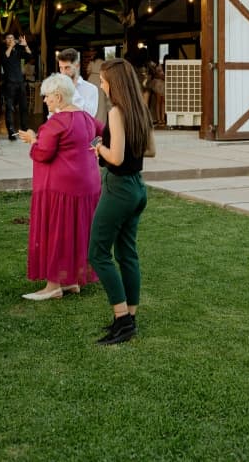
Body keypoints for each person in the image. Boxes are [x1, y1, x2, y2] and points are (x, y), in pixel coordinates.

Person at [17, 74, 102, 300]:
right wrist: (92, 148)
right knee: (76, 231)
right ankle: (71, 280)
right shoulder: (86, 117)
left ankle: (53, 285)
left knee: (57, 232)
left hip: (61, 187)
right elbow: (102, 134)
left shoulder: (56, 123)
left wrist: (33, 140)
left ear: (58, 96)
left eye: (47, 96)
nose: (45, 100)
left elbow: (43, 153)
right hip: (87, 184)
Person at [89, 59, 153, 345]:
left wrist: (99, 147)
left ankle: (122, 318)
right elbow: (150, 150)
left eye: (104, 81)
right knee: (127, 253)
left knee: (98, 253)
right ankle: (130, 318)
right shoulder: (140, 109)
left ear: (115, 83)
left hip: (119, 189)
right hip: (137, 187)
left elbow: (115, 158)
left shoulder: (116, 112)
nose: (102, 85)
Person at [57, 47, 107, 125]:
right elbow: (53, 115)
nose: (63, 73)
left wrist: (72, 88)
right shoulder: (104, 63)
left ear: (77, 66)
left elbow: (88, 115)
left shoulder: (91, 89)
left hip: (95, 80)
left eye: (67, 68)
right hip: (99, 79)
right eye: (61, 68)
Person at [0, 33, 33, 140]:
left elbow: (29, 56)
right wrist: (11, 46)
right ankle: (11, 132)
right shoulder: (2, 51)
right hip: (9, 83)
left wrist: (25, 45)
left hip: (20, 82)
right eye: (8, 38)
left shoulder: (17, 51)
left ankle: (24, 128)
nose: (11, 39)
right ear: (5, 41)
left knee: (24, 107)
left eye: (12, 38)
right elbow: (5, 58)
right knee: (9, 108)